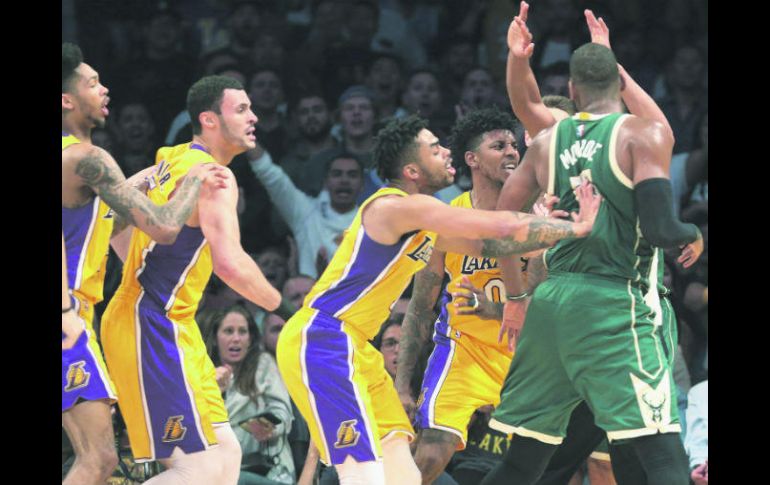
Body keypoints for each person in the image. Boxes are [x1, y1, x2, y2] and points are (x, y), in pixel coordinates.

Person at [275, 114, 601, 484]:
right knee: (362, 473)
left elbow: (492, 245)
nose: (447, 151)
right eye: (434, 149)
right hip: (324, 337)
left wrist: (552, 232)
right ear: (412, 170)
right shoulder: (399, 206)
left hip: (357, 346)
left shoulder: (422, 223)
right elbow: (497, 226)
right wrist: (577, 226)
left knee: (403, 473)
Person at [478, 34, 703, 485]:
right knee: (662, 456)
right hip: (615, 303)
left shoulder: (546, 142)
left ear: (572, 89)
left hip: (551, 305)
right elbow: (661, 229)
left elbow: (498, 226)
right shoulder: (641, 134)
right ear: (619, 83)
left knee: (523, 463)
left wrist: (518, 296)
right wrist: (693, 232)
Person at [99, 75, 294, 485]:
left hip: (169, 323)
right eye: (241, 109)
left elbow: (111, 215)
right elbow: (230, 264)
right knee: (197, 469)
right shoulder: (214, 177)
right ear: (209, 119)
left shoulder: (172, 160)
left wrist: (138, 266)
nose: (254, 117)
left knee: (227, 455)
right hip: (150, 323)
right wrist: (290, 312)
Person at [62, 42, 225, 485]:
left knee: (96, 459)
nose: (105, 89)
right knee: (99, 461)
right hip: (69, 319)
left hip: (78, 315)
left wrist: (141, 184)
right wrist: (194, 179)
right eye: (93, 83)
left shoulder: (72, 159)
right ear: (67, 100)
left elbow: (103, 227)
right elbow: (166, 227)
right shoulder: (86, 158)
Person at [394, 107, 522, 485]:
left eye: (513, 145)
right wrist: (402, 384)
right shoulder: (447, 220)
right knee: (431, 452)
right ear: (472, 159)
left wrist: (493, 308)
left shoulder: (537, 214)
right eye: (499, 146)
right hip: (464, 350)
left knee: (551, 462)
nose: (512, 152)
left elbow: (550, 303)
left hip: (527, 353)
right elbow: (421, 307)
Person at [204, 305, 296, 484]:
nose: (236, 338)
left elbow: (282, 411)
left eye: (242, 332)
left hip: (269, 470)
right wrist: (214, 391)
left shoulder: (263, 364)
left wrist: (269, 427)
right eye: (228, 331)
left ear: (250, 338)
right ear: (215, 338)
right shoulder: (204, 374)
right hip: (223, 468)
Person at [247, 146, 364, 279]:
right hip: (307, 291)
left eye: (352, 175)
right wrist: (243, 137)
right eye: (337, 174)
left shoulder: (372, 224)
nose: (344, 181)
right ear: (326, 182)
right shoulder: (306, 212)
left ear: (362, 185)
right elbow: (268, 173)